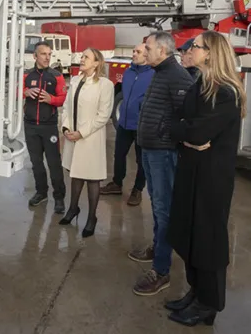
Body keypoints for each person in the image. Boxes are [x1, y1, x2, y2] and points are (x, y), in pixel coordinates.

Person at [164, 31, 246, 327]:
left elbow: (197, 132)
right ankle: (196, 292)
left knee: (207, 239)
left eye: (195, 46)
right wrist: (186, 134)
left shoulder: (226, 92)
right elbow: (176, 121)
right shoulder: (200, 84)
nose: (190, 49)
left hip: (211, 178)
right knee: (188, 234)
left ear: (210, 53)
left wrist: (187, 132)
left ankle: (209, 303)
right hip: (191, 169)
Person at [130, 31, 194, 296]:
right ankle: (158, 248)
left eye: (148, 47)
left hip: (163, 153)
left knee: (163, 208)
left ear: (163, 50)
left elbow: (187, 116)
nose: (144, 51)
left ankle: (161, 270)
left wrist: (164, 134)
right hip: (150, 149)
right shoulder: (159, 73)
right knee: (157, 206)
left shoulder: (178, 76)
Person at [58, 48, 115, 238]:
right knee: (76, 174)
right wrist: (66, 128)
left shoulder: (105, 85)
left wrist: (81, 133)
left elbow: (103, 116)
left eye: (86, 57)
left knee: (92, 178)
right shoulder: (75, 80)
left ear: (96, 63)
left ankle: (92, 218)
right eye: (81, 56)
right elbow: (66, 107)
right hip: (72, 136)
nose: (81, 59)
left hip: (90, 138)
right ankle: (73, 209)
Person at [100, 43, 153, 206]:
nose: (134, 54)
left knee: (141, 160)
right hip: (124, 123)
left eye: (138, 52)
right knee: (119, 155)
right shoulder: (128, 72)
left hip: (141, 126)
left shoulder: (154, 74)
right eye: (134, 51)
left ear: (147, 55)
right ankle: (117, 183)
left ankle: (137, 190)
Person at [23, 41, 67, 214]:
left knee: (54, 163)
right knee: (36, 163)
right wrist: (25, 92)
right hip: (30, 126)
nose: (47, 57)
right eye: (43, 54)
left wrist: (52, 100)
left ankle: (59, 197)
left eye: (49, 54)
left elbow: (63, 98)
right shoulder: (27, 75)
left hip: (49, 127)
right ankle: (41, 193)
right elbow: (15, 90)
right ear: (35, 56)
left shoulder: (56, 76)